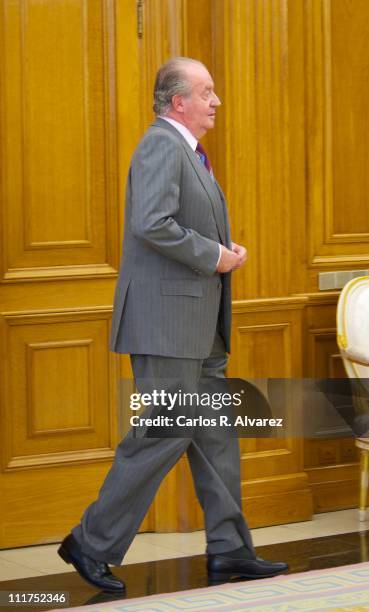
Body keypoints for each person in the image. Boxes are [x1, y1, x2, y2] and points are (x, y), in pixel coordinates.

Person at [58, 57, 288, 592]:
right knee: (160, 434)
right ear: (177, 100)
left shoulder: (189, 153)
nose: (216, 101)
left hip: (198, 326)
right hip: (166, 326)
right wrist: (214, 256)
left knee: (215, 434)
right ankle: (89, 542)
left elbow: (176, 224)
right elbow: (151, 224)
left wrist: (220, 250)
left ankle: (231, 550)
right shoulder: (162, 144)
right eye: (207, 92)